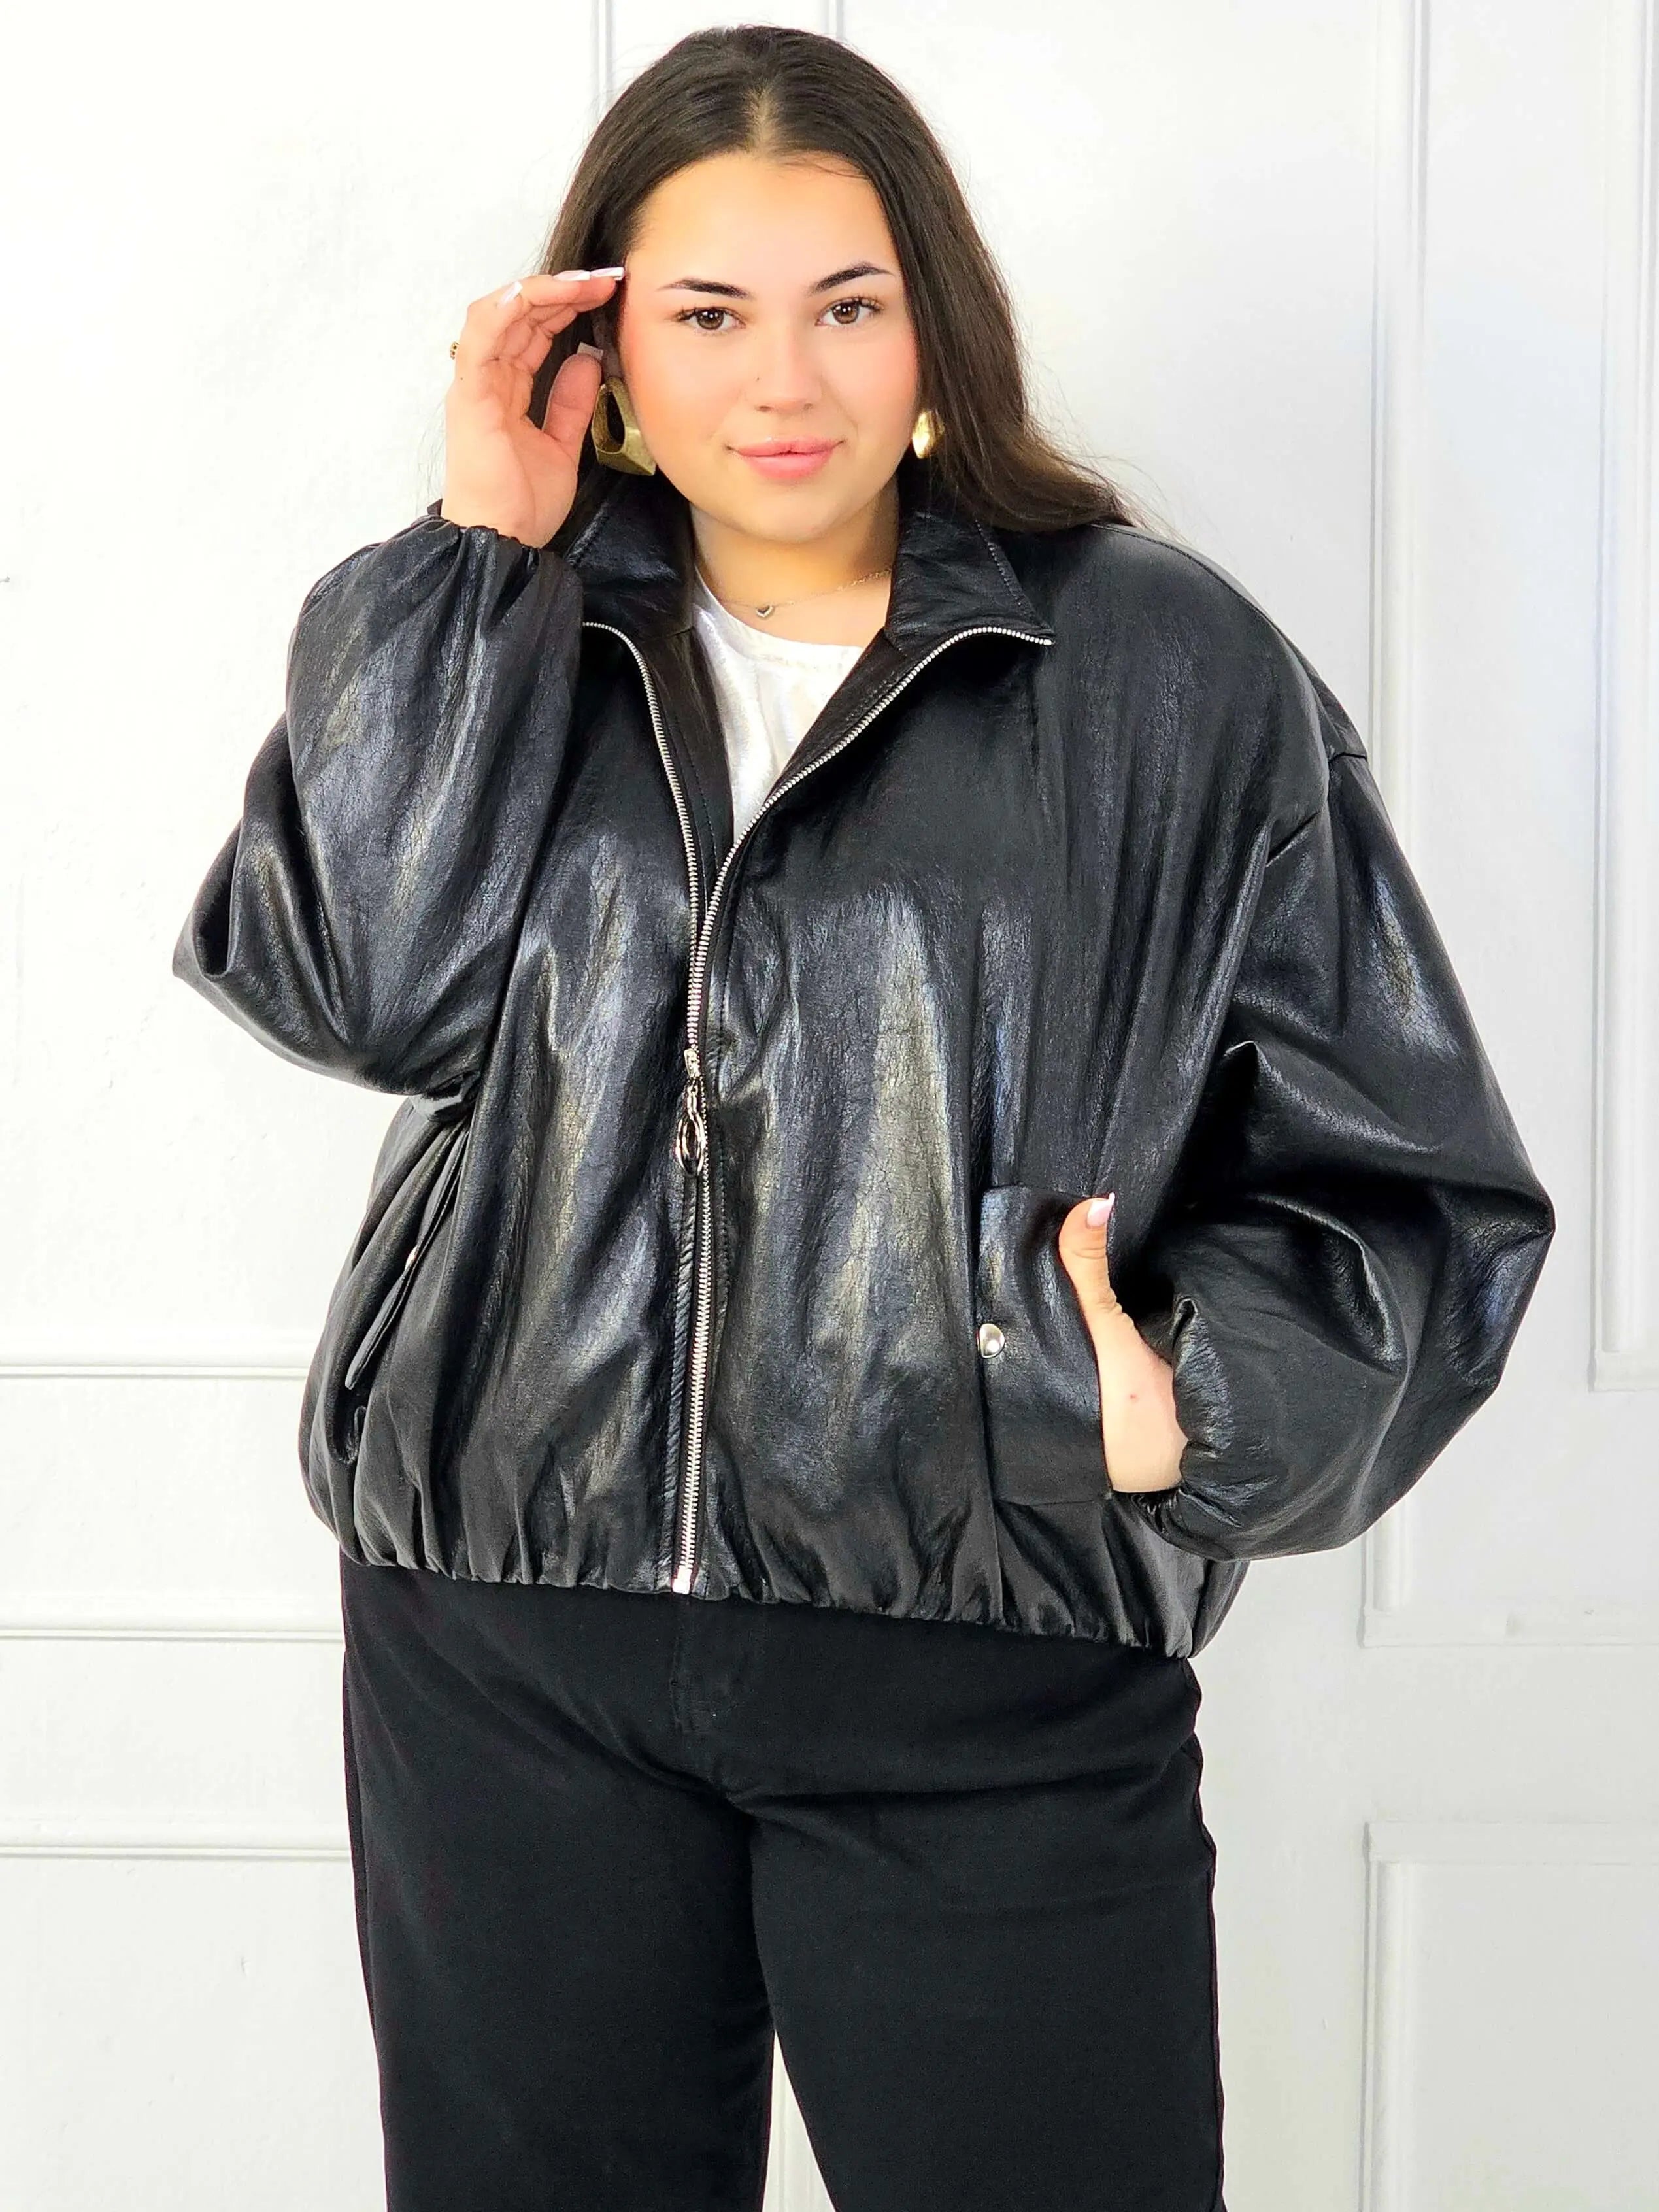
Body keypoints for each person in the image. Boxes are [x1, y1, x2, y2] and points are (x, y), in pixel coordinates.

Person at [170, 25, 1555, 2212]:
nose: (782, 381)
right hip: (507, 1644)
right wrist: (471, 552)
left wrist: (1185, 1406)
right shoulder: (511, 631)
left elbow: (1408, 1176)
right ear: (611, 352)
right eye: (709, 315)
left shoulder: (1162, 674)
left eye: (845, 304)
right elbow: (361, 993)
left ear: (933, 331)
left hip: (984, 1652)